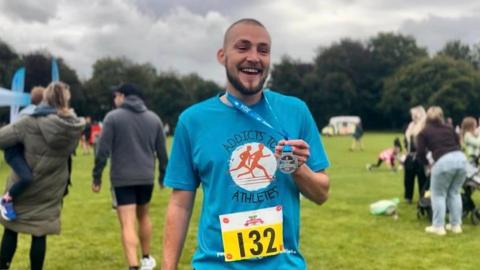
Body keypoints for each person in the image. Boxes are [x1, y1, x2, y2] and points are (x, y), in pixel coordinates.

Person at [162, 18, 330, 270]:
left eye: (263, 50)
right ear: (222, 55)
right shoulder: (192, 121)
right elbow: (179, 203)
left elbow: (321, 193)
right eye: (243, 47)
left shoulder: (295, 111)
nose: (254, 57)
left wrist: (297, 168)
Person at [0, 81, 85, 270]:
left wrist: (15, 152)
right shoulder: (72, 128)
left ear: (46, 98)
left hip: (22, 187)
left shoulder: (29, 122)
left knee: (11, 230)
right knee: (40, 234)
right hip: (51, 188)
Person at [92, 83, 168, 270]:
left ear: (122, 96)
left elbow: (102, 151)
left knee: (127, 222)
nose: (114, 100)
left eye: (115, 96)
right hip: (146, 177)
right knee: (143, 217)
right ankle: (146, 258)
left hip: (122, 178)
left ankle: (133, 266)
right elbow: (162, 152)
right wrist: (162, 176)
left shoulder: (113, 117)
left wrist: (97, 177)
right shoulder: (154, 119)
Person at [417, 106, 467, 235]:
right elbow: (459, 143)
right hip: (461, 160)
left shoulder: (424, 132)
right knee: (455, 193)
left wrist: (427, 164)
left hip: (443, 161)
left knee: (438, 194)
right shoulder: (449, 128)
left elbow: (420, 152)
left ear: (427, 117)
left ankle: (438, 226)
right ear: (441, 116)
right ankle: (456, 225)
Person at [1, 86, 45, 221]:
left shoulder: (29, 111)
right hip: (13, 152)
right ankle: (6, 200)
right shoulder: (31, 114)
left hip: (17, 150)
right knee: (27, 177)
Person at [403, 106, 428, 204]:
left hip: (421, 156)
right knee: (408, 178)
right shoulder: (410, 125)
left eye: (414, 114)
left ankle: (424, 198)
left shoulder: (424, 125)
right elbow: (406, 141)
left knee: (423, 179)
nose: (412, 116)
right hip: (410, 155)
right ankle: (408, 197)